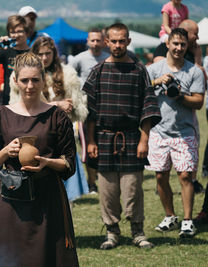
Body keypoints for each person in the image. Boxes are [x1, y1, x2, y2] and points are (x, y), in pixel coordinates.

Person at [0, 52, 79, 266]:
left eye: (35, 80)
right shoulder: (0, 116)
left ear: (43, 80)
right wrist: (5, 152)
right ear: (15, 81)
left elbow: (69, 164)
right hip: (12, 201)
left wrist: (47, 163)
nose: (29, 86)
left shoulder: (57, 116)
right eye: (24, 80)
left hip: (48, 200)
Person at [84, 23, 161, 249]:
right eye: (114, 41)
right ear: (107, 42)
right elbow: (89, 112)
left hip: (131, 139)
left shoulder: (139, 70)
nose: (118, 45)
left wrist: (144, 140)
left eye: (122, 41)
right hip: (104, 138)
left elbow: (148, 108)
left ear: (128, 41)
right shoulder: (98, 71)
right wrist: (90, 141)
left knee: (134, 189)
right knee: (107, 191)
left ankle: (137, 232)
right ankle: (112, 233)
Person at [9, 36, 89, 200]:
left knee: (62, 194)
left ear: (54, 53)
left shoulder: (67, 74)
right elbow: (19, 106)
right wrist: (56, 104)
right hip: (31, 135)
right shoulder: (22, 76)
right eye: (40, 54)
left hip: (59, 134)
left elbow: (76, 106)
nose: (44, 58)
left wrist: (66, 107)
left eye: (48, 53)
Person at [147, 28, 205, 237]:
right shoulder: (154, 69)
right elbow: (142, 90)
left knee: (185, 176)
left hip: (184, 132)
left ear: (187, 46)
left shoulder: (194, 71)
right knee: (161, 176)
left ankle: (187, 221)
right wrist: (157, 82)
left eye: (183, 44)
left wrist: (179, 96)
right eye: (175, 44)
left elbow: (198, 102)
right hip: (158, 131)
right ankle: (170, 216)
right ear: (168, 45)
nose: (179, 48)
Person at [67, 28, 110, 194]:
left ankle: (105, 180)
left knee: (103, 145)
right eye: (92, 40)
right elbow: (69, 77)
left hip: (105, 108)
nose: (95, 43)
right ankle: (91, 183)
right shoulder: (79, 59)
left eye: (98, 40)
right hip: (86, 109)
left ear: (103, 41)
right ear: (87, 41)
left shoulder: (108, 58)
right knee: (88, 146)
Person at [0, 15, 30, 105]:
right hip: (9, 102)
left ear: (26, 32)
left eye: (19, 31)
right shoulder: (6, 52)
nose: (16, 35)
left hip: (29, 102)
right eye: (12, 32)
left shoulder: (33, 52)